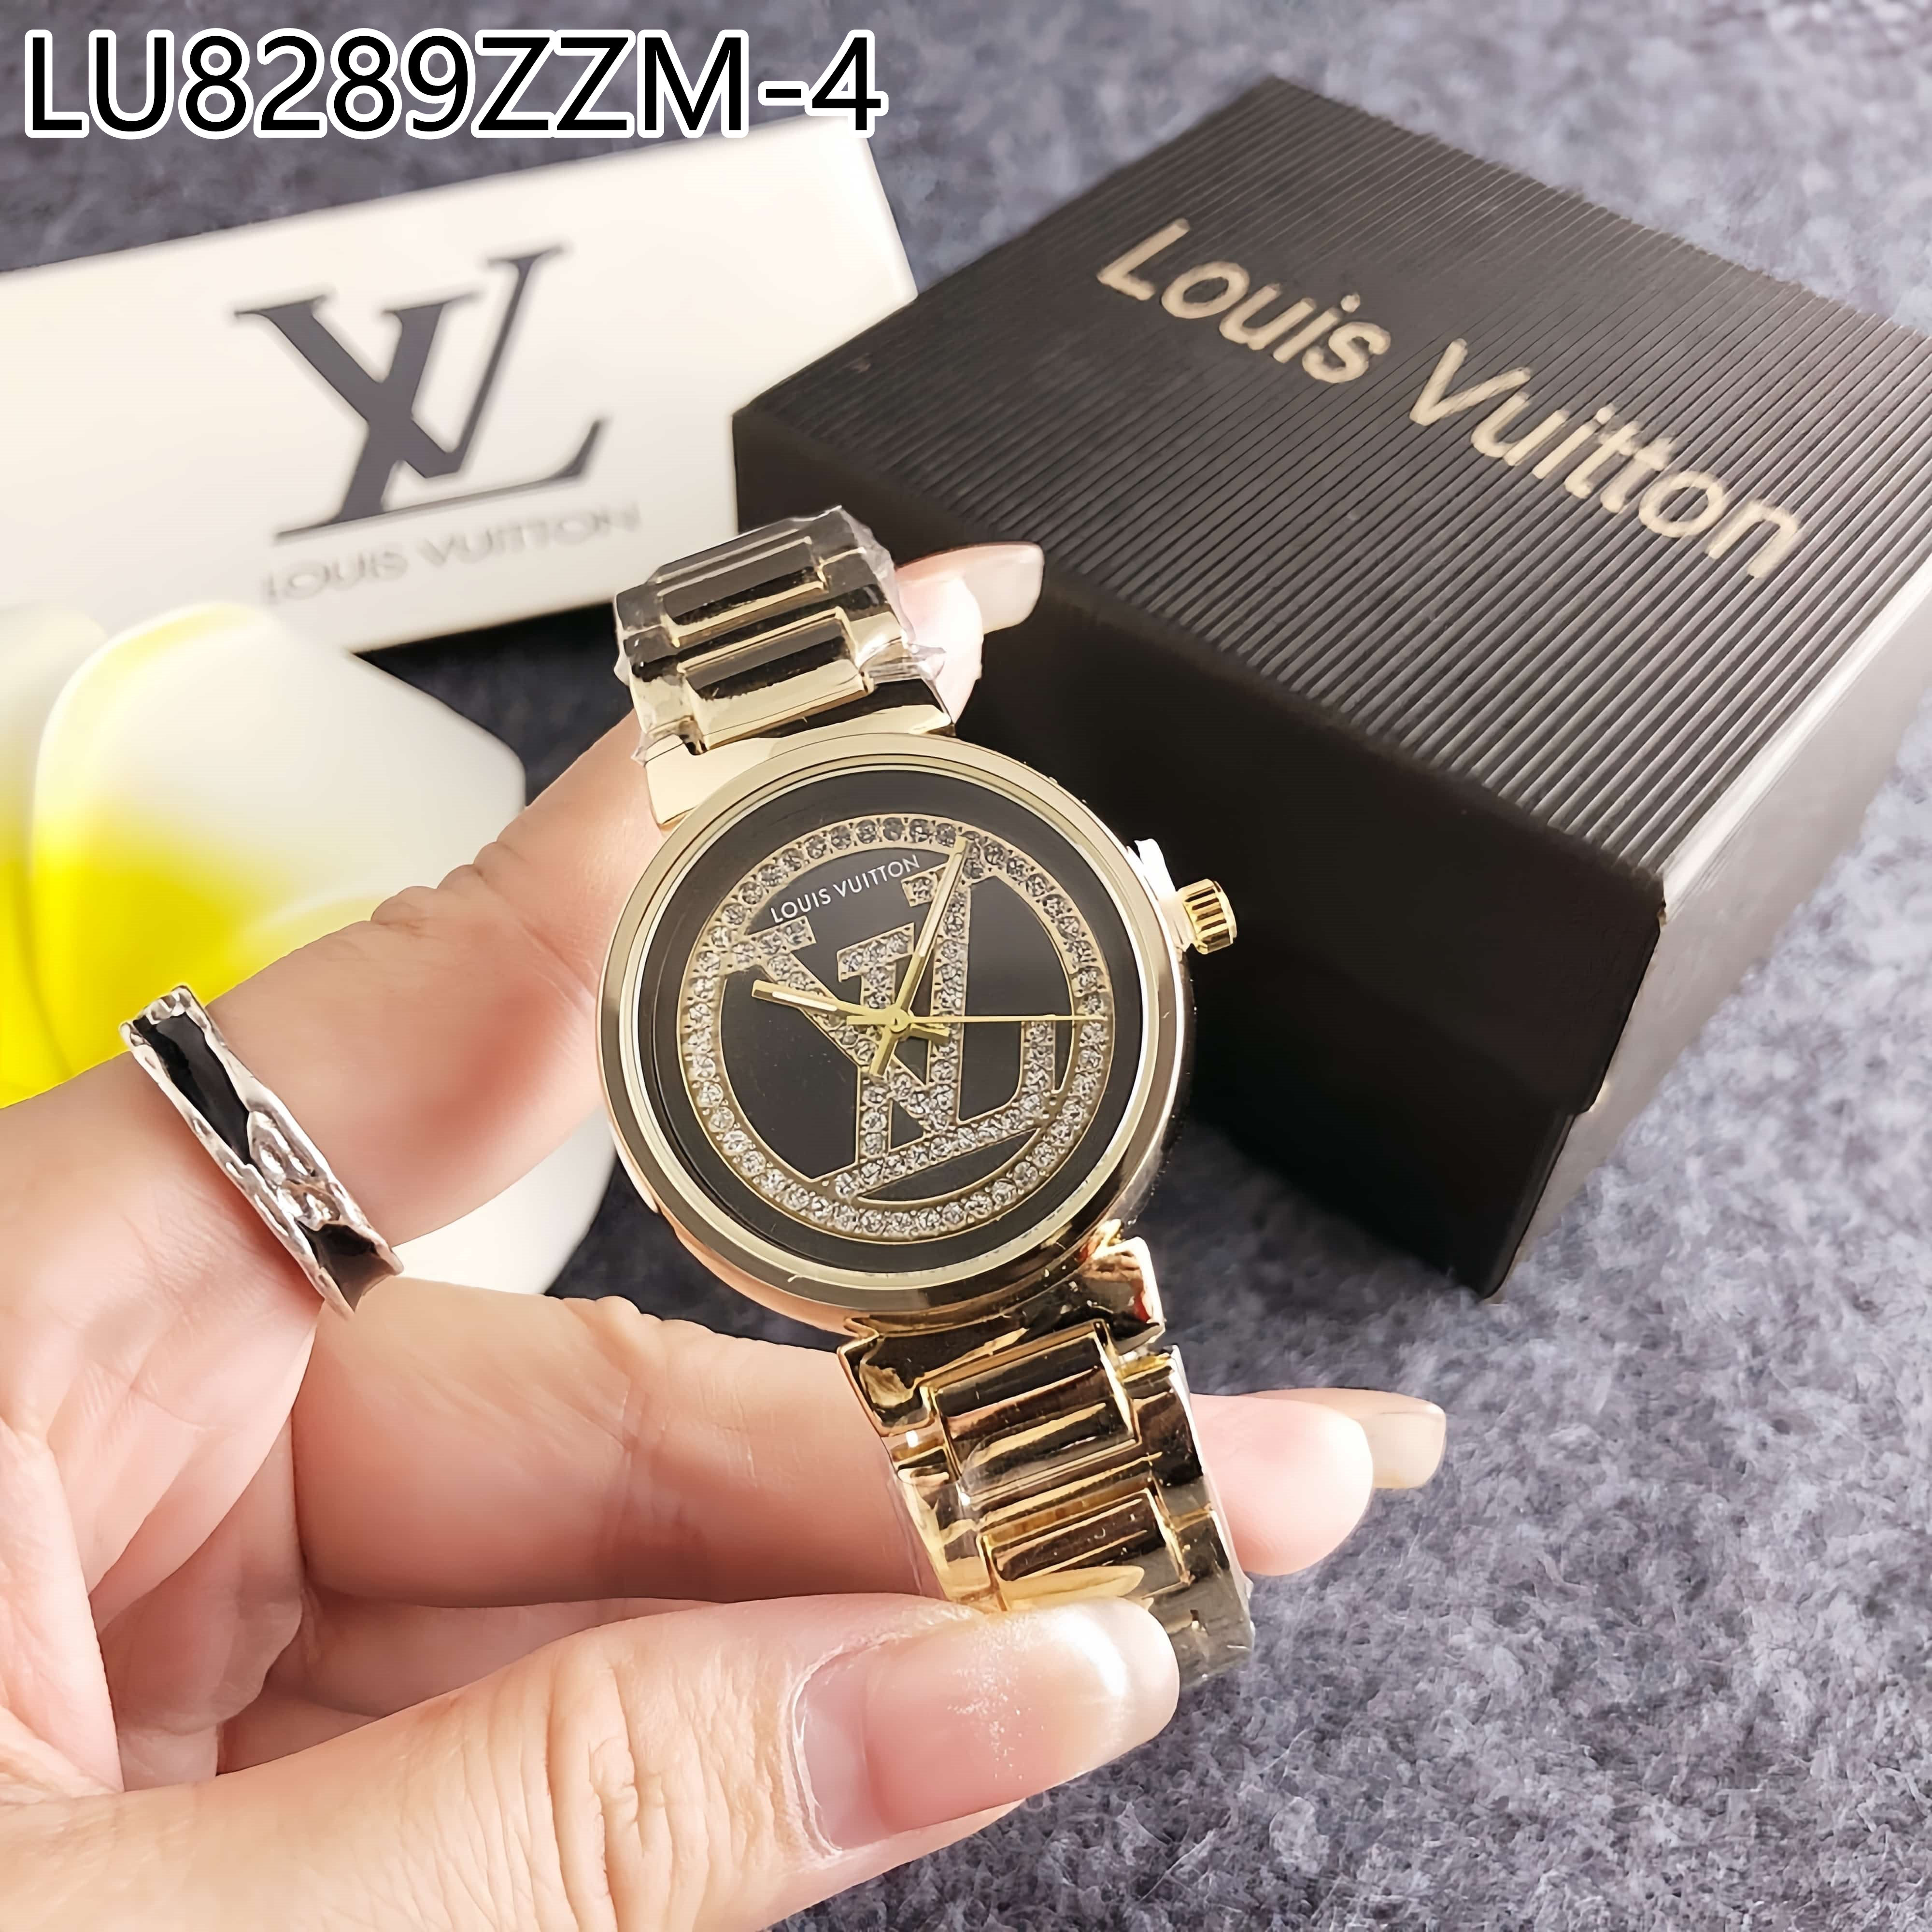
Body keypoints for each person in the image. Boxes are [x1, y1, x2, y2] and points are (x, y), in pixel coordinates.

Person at [0, 546, 1442, 1928]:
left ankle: (1111, 1614)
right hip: (910, 1239)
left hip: (966, 1231)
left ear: (1155, 921)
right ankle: (1107, 1620)